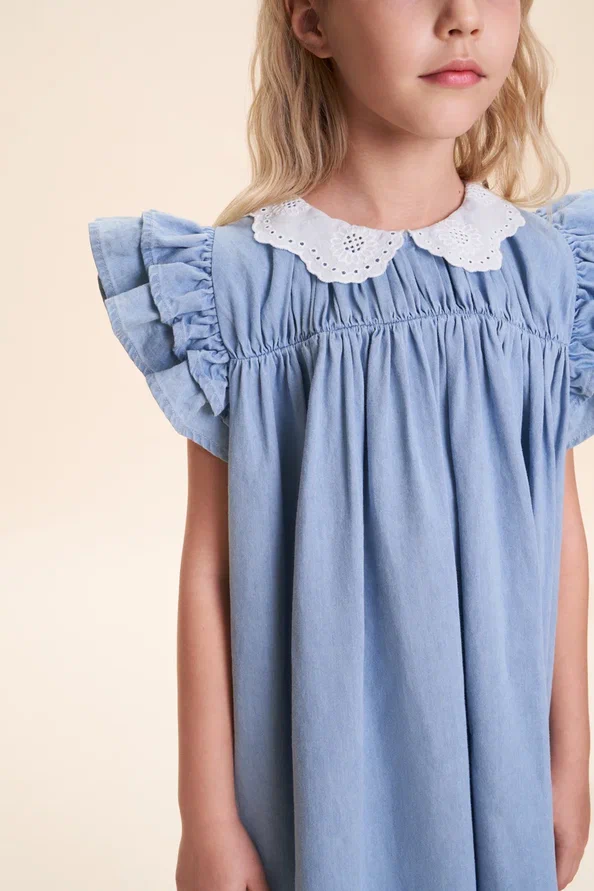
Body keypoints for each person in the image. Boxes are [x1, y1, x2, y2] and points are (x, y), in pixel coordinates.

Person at [87, 1, 592, 889]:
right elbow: (211, 571)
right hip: (313, 782)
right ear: (312, 20)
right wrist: (207, 816)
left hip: (498, 776)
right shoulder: (242, 290)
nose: (461, 18)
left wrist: (570, 756)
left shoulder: (541, 275)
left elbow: (558, 533)